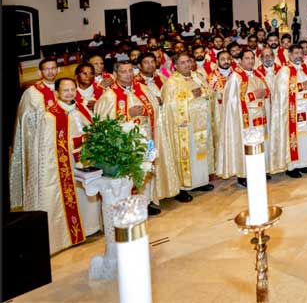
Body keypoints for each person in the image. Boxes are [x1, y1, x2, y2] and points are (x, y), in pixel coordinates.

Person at [11, 76, 101, 253]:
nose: (69, 93)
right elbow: (48, 149)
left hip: (84, 162)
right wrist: (80, 142)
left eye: (72, 90)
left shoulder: (81, 107)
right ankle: (66, 235)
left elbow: (92, 128)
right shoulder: (50, 116)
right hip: (65, 166)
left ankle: (90, 228)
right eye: (65, 90)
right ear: (56, 93)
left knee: (87, 197)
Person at [94, 61, 166, 211]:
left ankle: (145, 201)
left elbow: (154, 110)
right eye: (123, 71)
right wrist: (128, 114)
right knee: (129, 172)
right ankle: (130, 204)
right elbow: (103, 122)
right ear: (115, 74)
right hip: (125, 143)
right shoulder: (109, 96)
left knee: (145, 168)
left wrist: (146, 111)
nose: (128, 74)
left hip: (145, 137)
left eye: (130, 71)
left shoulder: (143, 89)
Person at [158, 53, 215, 201]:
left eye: (188, 61)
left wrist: (203, 92)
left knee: (200, 153)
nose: (187, 65)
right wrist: (190, 95)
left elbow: (210, 92)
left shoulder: (198, 76)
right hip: (185, 127)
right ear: (175, 66)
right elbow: (168, 105)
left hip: (201, 122)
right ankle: (183, 187)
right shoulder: (172, 82)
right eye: (182, 62)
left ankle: (201, 181)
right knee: (186, 155)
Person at [217, 50, 274, 186]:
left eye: (252, 58)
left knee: (260, 143)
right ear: (240, 60)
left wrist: (264, 93)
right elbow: (232, 101)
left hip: (260, 117)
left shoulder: (257, 74)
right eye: (247, 58)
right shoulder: (236, 77)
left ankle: (260, 170)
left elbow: (267, 91)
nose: (250, 61)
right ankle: (244, 175)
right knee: (246, 145)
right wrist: (253, 96)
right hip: (245, 121)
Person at [272, 45, 307, 178]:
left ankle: (305, 162)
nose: (299, 55)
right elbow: (281, 91)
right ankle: (292, 166)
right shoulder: (284, 71)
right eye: (296, 53)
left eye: (301, 52)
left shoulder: (306, 68)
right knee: (296, 138)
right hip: (293, 113)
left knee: (306, 136)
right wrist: (301, 86)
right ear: (289, 54)